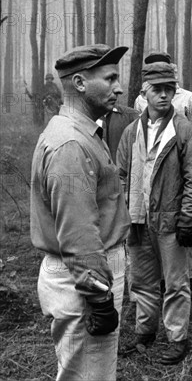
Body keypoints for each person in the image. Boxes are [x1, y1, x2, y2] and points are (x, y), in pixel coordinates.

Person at [30, 44, 131, 380]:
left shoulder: (81, 132)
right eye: (111, 78)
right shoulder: (71, 144)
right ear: (79, 83)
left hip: (87, 275)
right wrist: (100, 300)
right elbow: (79, 234)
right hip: (84, 280)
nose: (119, 87)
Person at [117, 61, 192, 365]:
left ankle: (177, 339)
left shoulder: (185, 130)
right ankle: (144, 334)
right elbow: (120, 176)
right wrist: (121, 217)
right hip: (137, 220)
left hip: (171, 221)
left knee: (176, 284)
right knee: (141, 282)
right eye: (157, 89)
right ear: (144, 92)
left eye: (169, 88)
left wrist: (188, 218)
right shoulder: (131, 131)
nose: (164, 95)